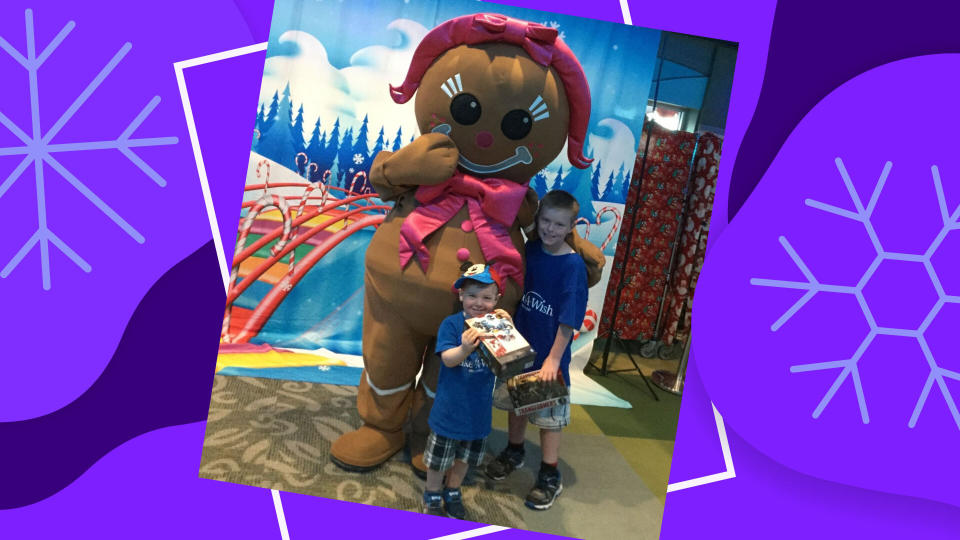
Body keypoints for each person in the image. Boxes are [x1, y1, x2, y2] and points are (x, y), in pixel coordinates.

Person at [485, 190, 589, 511]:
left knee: (548, 421)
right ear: (538, 218)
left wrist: (554, 359)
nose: (550, 229)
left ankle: (549, 474)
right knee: (517, 405)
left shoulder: (572, 266)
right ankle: (514, 450)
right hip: (520, 349)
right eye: (546, 221)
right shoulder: (531, 249)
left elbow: (568, 319)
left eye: (559, 225)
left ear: (571, 226)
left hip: (547, 357)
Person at [423, 264, 511, 519]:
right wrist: (463, 349)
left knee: (465, 459)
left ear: (496, 300)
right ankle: (431, 492)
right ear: (461, 295)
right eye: (472, 295)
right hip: (449, 410)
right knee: (438, 460)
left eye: (486, 297)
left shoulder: (495, 325)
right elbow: (448, 360)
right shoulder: (451, 325)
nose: (479, 302)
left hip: (478, 412)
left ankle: (453, 490)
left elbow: (510, 359)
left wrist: (508, 328)